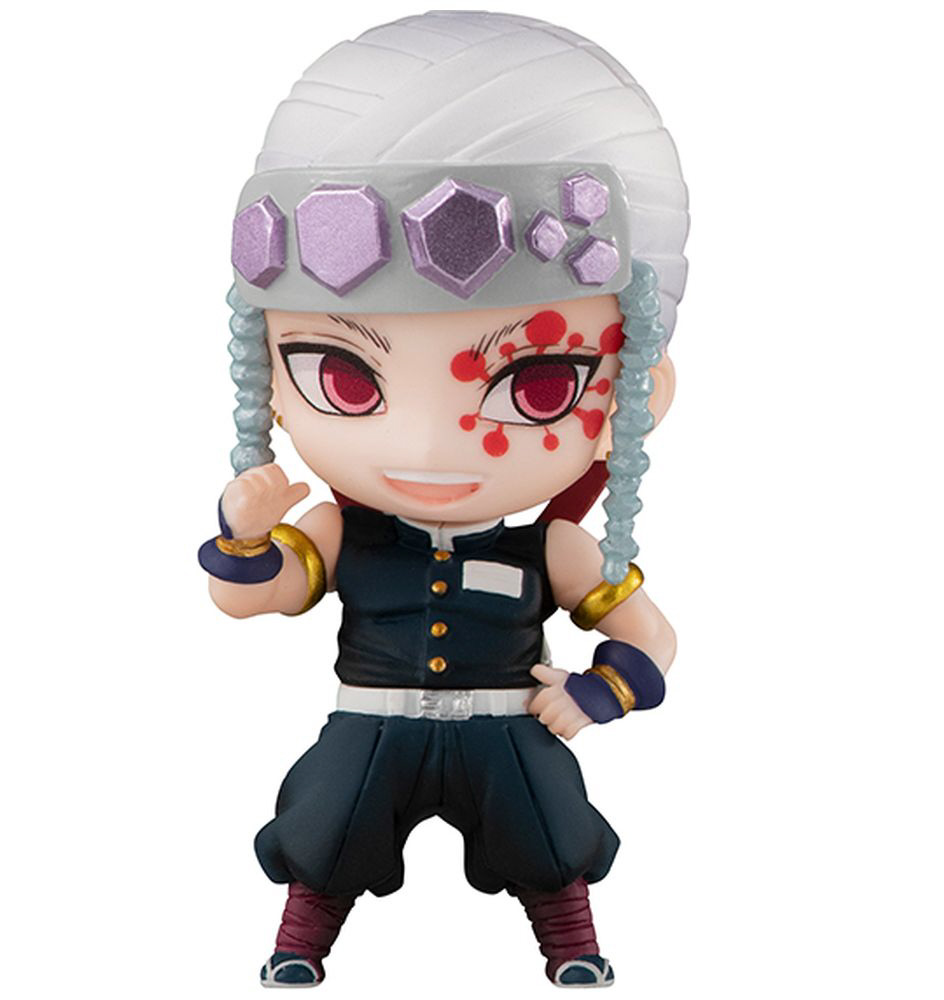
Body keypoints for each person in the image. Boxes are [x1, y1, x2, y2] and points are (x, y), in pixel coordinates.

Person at [198, 10, 688, 989]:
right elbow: (252, 595)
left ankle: (572, 944)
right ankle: (299, 943)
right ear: (271, 374)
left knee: (548, 828)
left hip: (508, 723)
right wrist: (243, 537)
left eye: (535, 386)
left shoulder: (553, 550)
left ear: (634, 395)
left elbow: (650, 638)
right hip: (370, 721)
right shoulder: (338, 531)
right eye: (344, 379)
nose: (425, 446)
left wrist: (598, 691)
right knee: (326, 823)